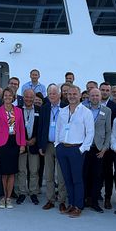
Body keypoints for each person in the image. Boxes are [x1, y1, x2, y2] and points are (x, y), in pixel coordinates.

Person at [54, 84, 94, 218]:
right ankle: (71, 204)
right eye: (69, 94)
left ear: (79, 96)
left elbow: (90, 133)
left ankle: (78, 206)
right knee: (67, 179)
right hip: (62, 149)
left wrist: (82, 149)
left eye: (74, 94)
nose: (71, 96)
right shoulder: (62, 111)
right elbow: (58, 129)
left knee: (77, 179)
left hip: (76, 149)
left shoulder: (86, 112)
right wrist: (57, 145)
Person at [0, 88, 26, 209]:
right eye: (5, 95)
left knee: (12, 172)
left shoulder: (18, 111)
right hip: (2, 144)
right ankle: (3, 196)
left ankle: (8, 198)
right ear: (3, 97)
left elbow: (22, 129)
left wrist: (22, 144)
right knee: (4, 172)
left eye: (9, 95)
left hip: (14, 143)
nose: (7, 97)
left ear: (13, 97)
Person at [38, 84, 68, 212]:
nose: (51, 96)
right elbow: (41, 128)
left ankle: (61, 201)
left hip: (61, 145)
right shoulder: (44, 108)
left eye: (54, 93)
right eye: (50, 93)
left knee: (61, 175)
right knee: (49, 174)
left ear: (59, 94)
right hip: (49, 145)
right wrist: (41, 145)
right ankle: (50, 200)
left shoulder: (65, 108)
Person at [85, 88, 111, 213]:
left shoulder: (107, 111)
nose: (95, 97)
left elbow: (108, 131)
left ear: (100, 97)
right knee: (85, 175)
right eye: (92, 95)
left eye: (97, 95)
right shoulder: (84, 109)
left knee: (97, 176)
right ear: (89, 97)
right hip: (86, 148)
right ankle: (85, 199)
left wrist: (105, 148)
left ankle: (95, 201)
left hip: (99, 149)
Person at [16, 89, 40, 205]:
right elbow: (15, 127)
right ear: (23, 97)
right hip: (21, 144)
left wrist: (35, 138)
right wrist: (23, 140)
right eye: (26, 97)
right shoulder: (18, 110)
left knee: (34, 170)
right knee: (21, 170)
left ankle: (33, 192)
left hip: (34, 144)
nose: (28, 99)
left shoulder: (39, 110)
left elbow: (41, 128)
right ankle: (22, 192)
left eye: (31, 97)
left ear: (34, 97)